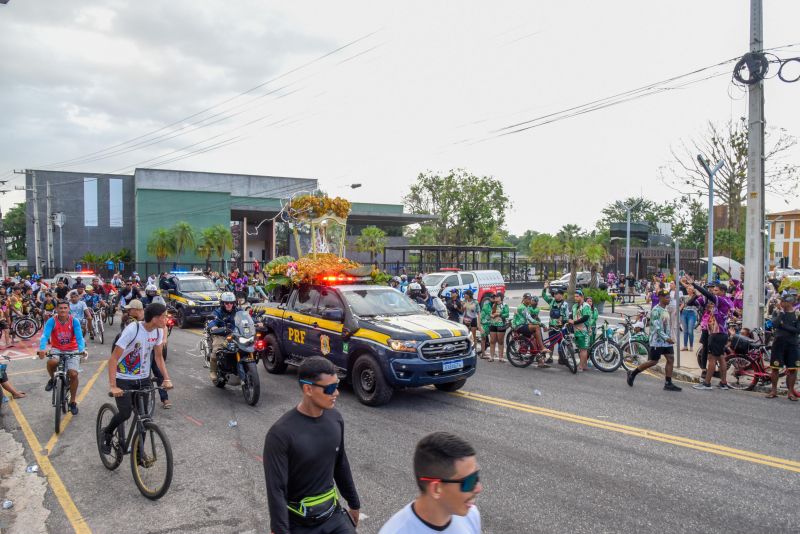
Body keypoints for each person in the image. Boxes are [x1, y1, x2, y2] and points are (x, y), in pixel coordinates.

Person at [263, 357, 360, 534]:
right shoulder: (280, 435)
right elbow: (276, 490)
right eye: (330, 388)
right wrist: (279, 530)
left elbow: (341, 464)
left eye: (336, 385)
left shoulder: (335, 419)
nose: (336, 393)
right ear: (308, 389)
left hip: (333, 516)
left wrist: (354, 503)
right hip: (299, 525)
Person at [100, 302, 172, 454]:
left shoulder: (158, 332)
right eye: (164, 317)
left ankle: (139, 454)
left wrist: (166, 378)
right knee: (125, 413)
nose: (166, 320)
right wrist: (113, 386)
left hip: (144, 379)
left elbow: (158, 357)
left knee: (144, 418)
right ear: (155, 318)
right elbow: (113, 359)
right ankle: (107, 432)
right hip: (124, 378)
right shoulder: (133, 330)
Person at [379, 431, 482, 534]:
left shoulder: (471, 515)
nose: (478, 488)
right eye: (470, 481)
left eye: (476, 476)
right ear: (436, 489)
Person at [683, 277, 734, 390]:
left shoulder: (721, 300)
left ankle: (707, 383)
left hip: (717, 333)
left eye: (716, 290)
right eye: (713, 290)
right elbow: (691, 302)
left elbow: (709, 295)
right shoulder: (727, 301)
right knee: (721, 358)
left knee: (711, 358)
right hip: (721, 333)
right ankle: (723, 382)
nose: (713, 292)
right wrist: (696, 294)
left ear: (722, 291)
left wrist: (695, 285)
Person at [626, 289, 682, 391]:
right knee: (653, 361)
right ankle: (632, 373)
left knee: (670, 358)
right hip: (657, 341)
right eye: (666, 297)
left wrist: (669, 337)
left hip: (666, 341)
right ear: (660, 298)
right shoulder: (656, 310)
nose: (669, 299)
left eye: (669, 297)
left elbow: (666, 326)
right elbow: (657, 328)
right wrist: (667, 338)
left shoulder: (665, 309)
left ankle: (668, 383)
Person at [38, 300, 87, 415]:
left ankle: (73, 402)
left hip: (72, 349)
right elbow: (45, 335)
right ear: (56, 309)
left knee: (73, 374)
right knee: (51, 362)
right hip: (57, 349)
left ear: (69, 309)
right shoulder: (52, 321)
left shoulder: (74, 321)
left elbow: (80, 337)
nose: (63, 310)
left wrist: (82, 350)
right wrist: (42, 348)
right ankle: (52, 379)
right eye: (61, 308)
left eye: (65, 308)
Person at [767, 291, 799, 400]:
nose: (780, 303)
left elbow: (797, 330)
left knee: (792, 369)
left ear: (789, 303)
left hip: (792, 345)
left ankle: (790, 393)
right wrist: (781, 313)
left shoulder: (797, 314)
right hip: (778, 344)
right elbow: (775, 324)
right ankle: (773, 390)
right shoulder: (777, 312)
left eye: (782, 301)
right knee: (775, 368)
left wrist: (783, 325)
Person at [207, 292, 238, 382]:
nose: (229, 305)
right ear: (222, 303)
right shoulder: (218, 312)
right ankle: (213, 370)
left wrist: (256, 322)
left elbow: (246, 317)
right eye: (226, 303)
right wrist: (214, 326)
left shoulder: (238, 311)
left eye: (231, 303)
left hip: (236, 334)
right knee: (217, 349)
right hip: (221, 334)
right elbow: (213, 320)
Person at [512, 293, 547, 361]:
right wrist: (542, 324)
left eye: (530, 299)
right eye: (528, 299)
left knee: (534, 340)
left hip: (525, 325)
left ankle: (539, 359)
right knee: (537, 327)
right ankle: (542, 347)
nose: (530, 301)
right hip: (520, 326)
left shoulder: (526, 306)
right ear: (524, 299)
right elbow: (530, 318)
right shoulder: (522, 307)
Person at [541, 281, 569, 364]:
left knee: (561, 342)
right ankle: (550, 357)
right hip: (551, 325)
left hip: (561, 326)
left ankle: (561, 358)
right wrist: (545, 288)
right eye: (555, 294)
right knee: (551, 343)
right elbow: (543, 295)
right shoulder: (551, 301)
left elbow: (566, 316)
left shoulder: (565, 304)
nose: (556, 295)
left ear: (562, 295)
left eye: (558, 294)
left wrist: (564, 323)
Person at [568, 290, 593, 371]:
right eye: (575, 296)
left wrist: (574, 322)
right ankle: (584, 365)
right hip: (576, 331)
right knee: (580, 349)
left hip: (584, 331)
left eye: (577, 296)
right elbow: (572, 315)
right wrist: (569, 319)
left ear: (582, 296)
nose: (575, 298)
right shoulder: (574, 306)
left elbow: (585, 317)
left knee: (583, 349)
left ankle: (581, 366)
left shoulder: (586, 306)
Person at [484, 293, 508, 363]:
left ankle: (501, 357)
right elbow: (490, 313)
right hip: (493, 324)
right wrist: (491, 315)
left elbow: (507, 314)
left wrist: (499, 314)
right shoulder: (494, 305)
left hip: (501, 325)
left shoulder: (504, 305)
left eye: (497, 297)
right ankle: (492, 357)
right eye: (495, 297)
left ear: (501, 297)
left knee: (500, 341)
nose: (495, 298)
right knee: (492, 341)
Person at [680, 284, 700, 352]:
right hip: (684, 313)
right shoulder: (684, 297)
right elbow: (683, 304)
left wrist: (695, 289)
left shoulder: (696, 297)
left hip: (692, 314)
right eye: (688, 289)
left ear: (693, 290)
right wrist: (678, 310)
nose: (689, 290)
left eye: (690, 289)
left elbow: (699, 295)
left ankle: (691, 346)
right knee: (685, 331)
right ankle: (685, 346)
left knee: (690, 331)